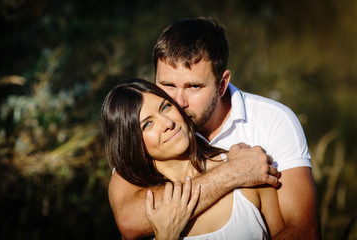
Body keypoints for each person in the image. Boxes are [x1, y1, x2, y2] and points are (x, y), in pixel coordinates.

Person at [108, 18, 320, 239]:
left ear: (222, 84)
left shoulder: (272, 120)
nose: (179, 102)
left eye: (194, 86)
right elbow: (129, 220)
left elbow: (304, 232)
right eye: (168, 85)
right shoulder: (146, 138)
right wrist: (232, 173)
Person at [101, 79, 285, 239]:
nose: (168, 123)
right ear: (131, 143)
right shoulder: (145, 211)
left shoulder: (248, 168)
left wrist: (234, 171)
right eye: (148, 124)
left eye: (166, 107)